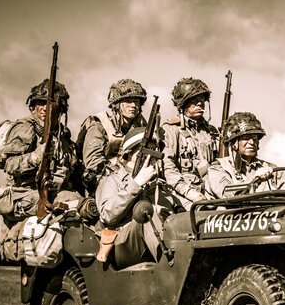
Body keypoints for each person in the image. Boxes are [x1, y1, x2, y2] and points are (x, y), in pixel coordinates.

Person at [95, 127, 176, 269]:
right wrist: (136, 183)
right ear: (129, 154)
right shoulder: (112, 180)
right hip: (122, 243)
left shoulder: (159, 184)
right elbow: (108, 215)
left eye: (154, 153)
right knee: (145, 217)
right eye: (145, 153)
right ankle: (171, 264)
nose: (150, 159)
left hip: (158, 240)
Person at [0, 78, 79, 220]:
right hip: (26, 193)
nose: (45, 108)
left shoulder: (64, 136)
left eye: (50, 103)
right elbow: (9, 164)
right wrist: (35, 157)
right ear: (33, 106)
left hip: (58, 192)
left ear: (60, 108)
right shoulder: (25, 128)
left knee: (87, 208)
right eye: (40, 103)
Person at [79, 79, 148, 193]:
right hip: (104, 179)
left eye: (136, 101)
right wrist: (121, 176)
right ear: (117, 105)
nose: (133, 105)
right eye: (128, 101)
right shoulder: (100, 125)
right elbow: (93, 160)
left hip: (132, 179)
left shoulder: (141, 128)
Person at [206, 112, 285, 198]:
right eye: (246, 138)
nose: (252, 142)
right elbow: (228, 194)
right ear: (234, 143)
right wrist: (255, 180)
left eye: (255, 138)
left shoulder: (270, 169)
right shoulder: (218, 169)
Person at [161, 77, 219, 209]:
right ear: (183, 104)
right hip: (181, 193)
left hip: (211, 189)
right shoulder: (171, 129)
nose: (200, 103)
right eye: (194, 100)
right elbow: (168, 169)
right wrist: (190, 193)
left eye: (202, 99)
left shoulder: (212, 131)